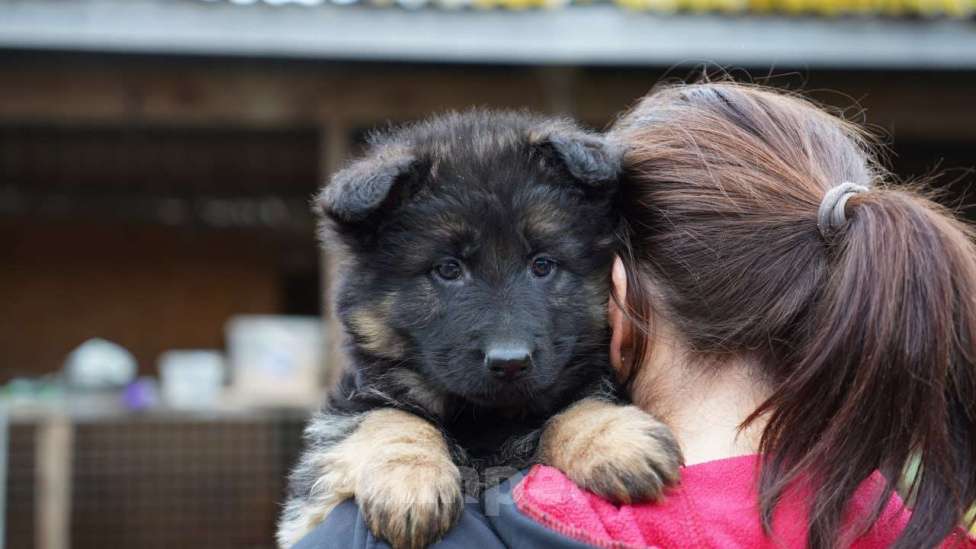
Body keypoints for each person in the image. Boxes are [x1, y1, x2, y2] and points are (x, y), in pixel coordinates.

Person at [294, 81, 976, 549]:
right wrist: (397, 440)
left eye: (543, 267)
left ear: (616, 288)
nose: (507, 335)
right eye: (448, 270)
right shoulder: (916, 522)